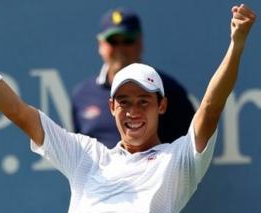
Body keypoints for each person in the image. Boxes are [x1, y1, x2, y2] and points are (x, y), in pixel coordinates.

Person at [0, 4, 256, 213]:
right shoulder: (85, 155)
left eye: (143, 102)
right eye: (125, 102)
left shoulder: (180, 160)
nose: (133, 111)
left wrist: (236, 45)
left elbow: (212, 107)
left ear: (162, 106)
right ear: (112, 108)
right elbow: (18, 112)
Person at [71, 8, 195, 150]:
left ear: (140, 42)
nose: (121, 48)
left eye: (127, 40)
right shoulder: (82, 95)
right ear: (100, 45)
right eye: (113, 41)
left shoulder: (170, 90)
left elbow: (190, 147)